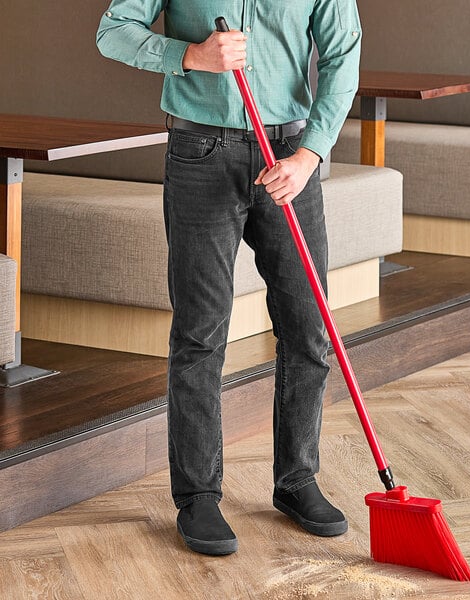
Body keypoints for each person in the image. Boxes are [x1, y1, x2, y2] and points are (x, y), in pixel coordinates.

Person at [97, 1, 361, 556]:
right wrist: (189, 55)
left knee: (308, 329)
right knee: (200, 334)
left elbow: (342, 56)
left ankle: (297, 481)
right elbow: (112, 33)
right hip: (199, 154)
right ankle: (197, 495)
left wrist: (311, 154)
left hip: (289, 158)